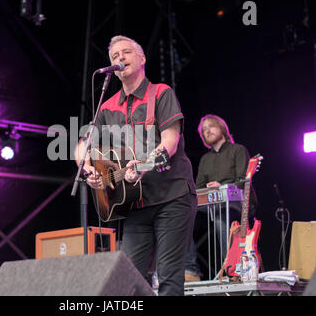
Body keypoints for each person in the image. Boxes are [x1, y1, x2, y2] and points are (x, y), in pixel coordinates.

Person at [74, 35, 197, 296]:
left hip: (171, 197)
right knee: (127, 282)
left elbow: (170, 143)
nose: (120, 58)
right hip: (134, 205)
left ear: (142, 59)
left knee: (169, 277)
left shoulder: (161, 93)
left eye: (126, 52)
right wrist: (89, 170)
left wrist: (144, 165)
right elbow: (82, 146)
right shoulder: (106, 107)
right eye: (114, 56)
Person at [184, 114, 257, 281]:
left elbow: (242, 181)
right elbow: (200, 188)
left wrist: (222, 187)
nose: (206, 131)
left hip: (240, 203)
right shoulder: (205, 159)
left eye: (211, 126)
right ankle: (191, 270)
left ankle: (233, 269)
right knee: (182, 214)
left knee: (220, 217)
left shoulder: (238, 150)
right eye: (203, 130)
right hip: (213, 205)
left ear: (222, 129)